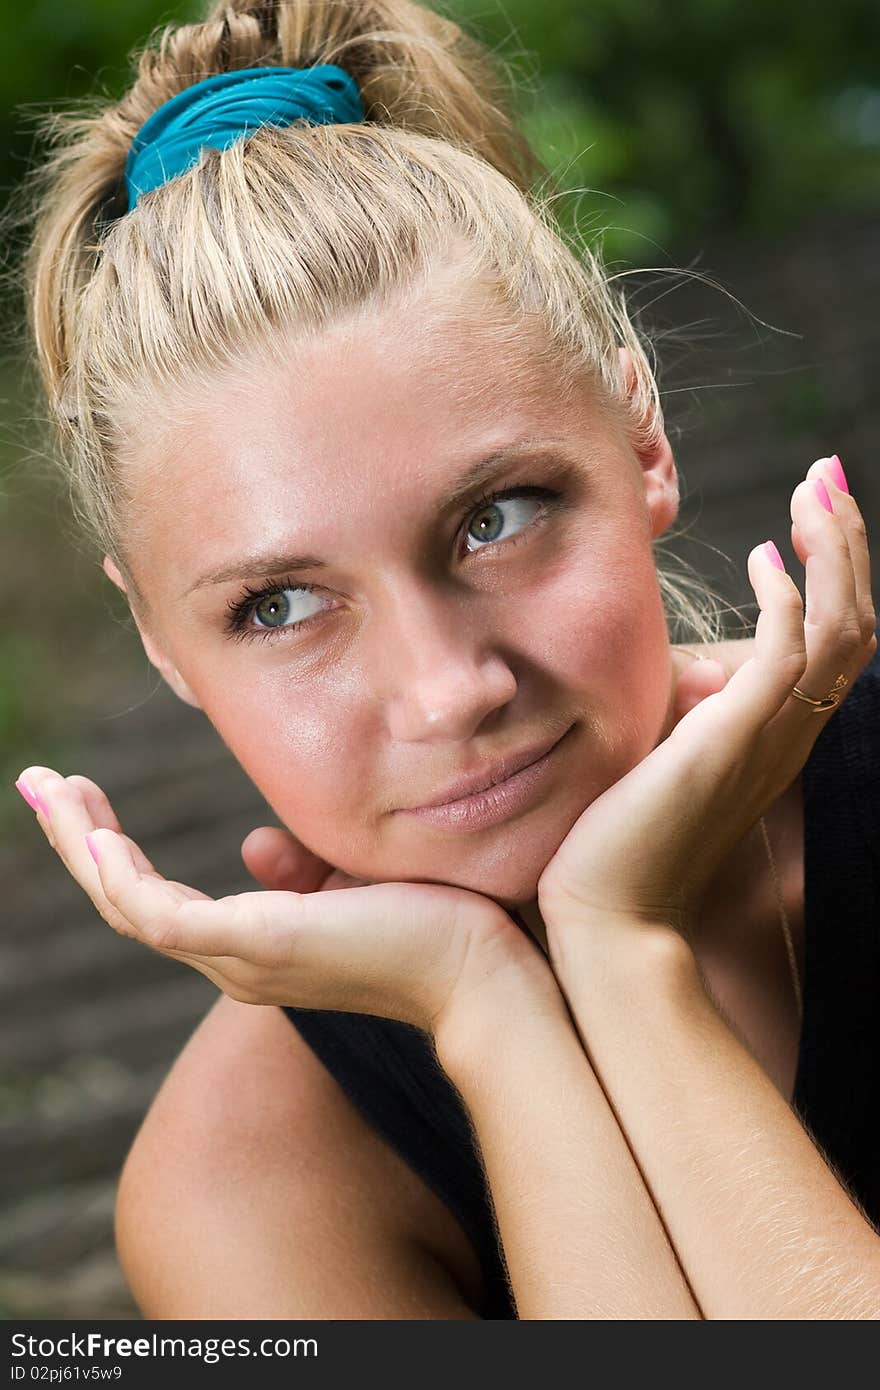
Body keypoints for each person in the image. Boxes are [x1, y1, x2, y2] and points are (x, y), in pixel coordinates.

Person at [10, 0, 880, 1320]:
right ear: (158, 641)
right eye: (279, 602)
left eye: (498, 515)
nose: (449, 688)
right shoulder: (240, 1182)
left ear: (641, 439)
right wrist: (493, 1010)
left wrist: (618, 951)